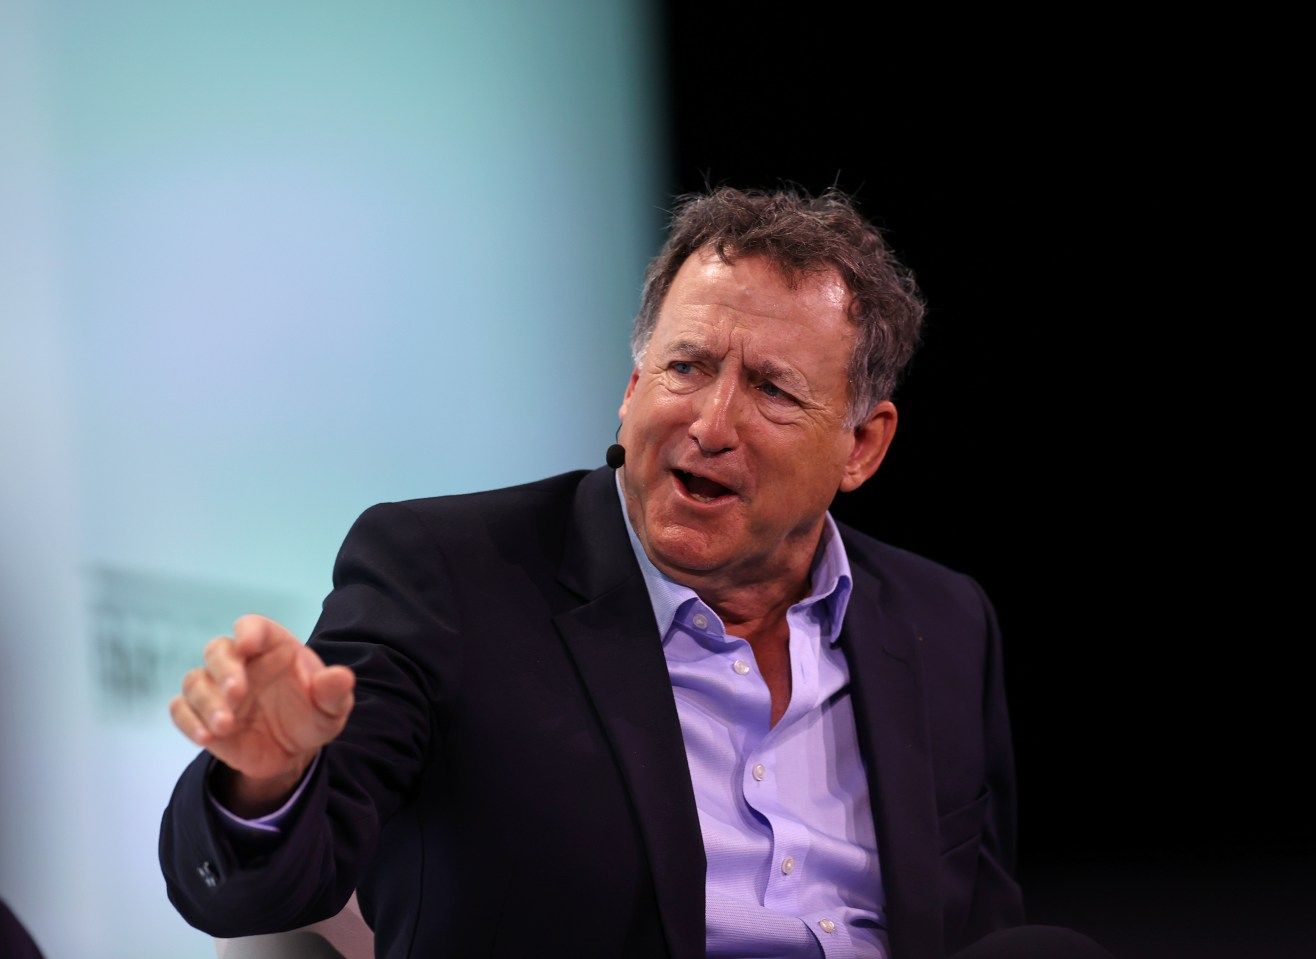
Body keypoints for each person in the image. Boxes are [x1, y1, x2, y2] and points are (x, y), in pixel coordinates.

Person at [160, 187, 1107, 958]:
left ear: (862, 444)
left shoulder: (943, 621)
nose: (712, 423)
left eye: (772, 389)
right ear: (631, 389)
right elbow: (265, 891)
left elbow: (975, 920)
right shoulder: (449, 574)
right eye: (686, 367)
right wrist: (268, 780)